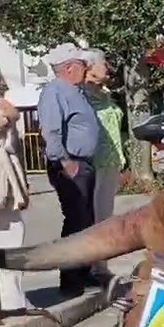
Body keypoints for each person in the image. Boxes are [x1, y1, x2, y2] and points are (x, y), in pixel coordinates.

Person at [37, 43, 100, 296]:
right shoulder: (55, 91)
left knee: (85, 222)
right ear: (70, 67)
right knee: (75, 221)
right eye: (83, 65)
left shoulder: (75, 90)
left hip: (82, 163)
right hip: (69, 163)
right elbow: (51, 130)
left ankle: (82, 274)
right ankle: (71, 281)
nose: (86, 69)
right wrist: (65, 162)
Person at [0, 66, 32, 312]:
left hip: (3, 179)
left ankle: (10, 300)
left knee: (11, 235)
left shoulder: (0, 105)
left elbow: (14, 142)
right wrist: (4, 116)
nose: (3, 89)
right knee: (7, 236)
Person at [80, 50, 125, 277]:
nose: (107, 67)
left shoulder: (104, 93)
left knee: (105, 215)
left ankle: (101, 263)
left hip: (111, 159)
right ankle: (94, 264)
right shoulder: (82, 95)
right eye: (103, 64)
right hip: (95, 159)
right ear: (90, 68)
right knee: (95, 216)